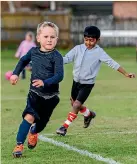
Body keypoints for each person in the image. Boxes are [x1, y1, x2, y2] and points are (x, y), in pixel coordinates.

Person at [56, 26, 135, 136]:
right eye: (86, 39)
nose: (88, 42)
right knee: (74, 104)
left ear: (98, 40)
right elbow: (66, 59)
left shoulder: (99, 52)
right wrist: (53, 60)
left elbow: (112, 63)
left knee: (76, 105)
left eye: (92, 40)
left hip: (87, 84)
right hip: (76, 82)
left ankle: (64, 127)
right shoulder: (77, 48)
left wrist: (126, 73)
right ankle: (89, 114)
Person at [10, 21, 64, 157]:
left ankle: (34, 132)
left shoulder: (57, 56)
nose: (49, 40)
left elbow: (59, 75)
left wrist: (45, 82)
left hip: (51, 97)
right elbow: (23, 60)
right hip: (34, 93)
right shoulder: (33, 52)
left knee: (41, 123)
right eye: (46, 37)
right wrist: (15, 73)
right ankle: (19, 145)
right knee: (29, 116)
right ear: (38, 38)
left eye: (52, 37)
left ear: (57, 39)